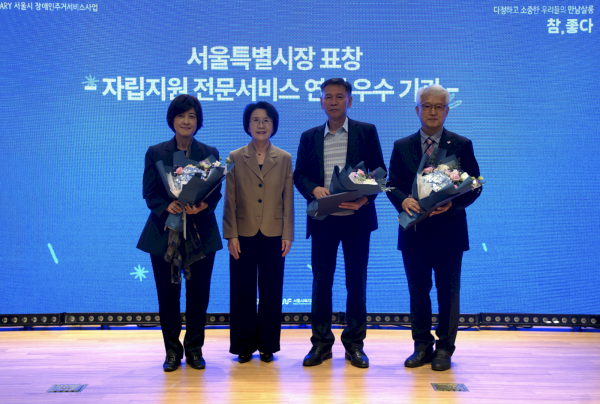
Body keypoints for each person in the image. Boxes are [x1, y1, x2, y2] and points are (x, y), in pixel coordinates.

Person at [387, 84, 482, 371]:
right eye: (426, 106)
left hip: (449, 232)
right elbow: (391, 184)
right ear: (417, 109)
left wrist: (452, 204)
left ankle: (445, 349)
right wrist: (403, 200)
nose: (432, 111)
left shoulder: (461, 144)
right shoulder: (402, 146)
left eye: (438, 107)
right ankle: (421, 346)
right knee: (418, 291)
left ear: (447, 111)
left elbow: (475, 185)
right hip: (414, 232)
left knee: (448, 294)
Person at [294, 78, 386, 369]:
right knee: (321, 283)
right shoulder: (309, 136)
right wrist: (313, 189)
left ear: (350, 100)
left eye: (339, 96)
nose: (333, 101)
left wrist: (364, 200)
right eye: (328, 97)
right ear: (321, 101)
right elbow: (300, 175)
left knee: (356, 283)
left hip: (356, 219)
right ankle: (321, 344)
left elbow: (380, 174)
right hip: (323, 220)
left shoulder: (366, 131)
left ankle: (354, 345)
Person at [137, 94, 223, 372]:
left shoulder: (209, 152)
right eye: (181, 115)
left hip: (201, 235)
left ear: (198, 121)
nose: (186, 121)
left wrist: (204, 205)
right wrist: (166, 206)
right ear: (172, 120)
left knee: (199, 296)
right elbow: (149, 193)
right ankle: (172, 352)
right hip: (165, 235)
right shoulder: (156, 152)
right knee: (168, 297)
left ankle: (195, 350)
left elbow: (215, 192)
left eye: (192, 116)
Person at [223, 101, 294, 364]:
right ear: (247, 125)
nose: (261, 125)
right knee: (241, 290)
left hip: (274, 233)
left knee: (271, 290)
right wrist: (231, 234)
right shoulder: (234, 156)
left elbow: (288, 199)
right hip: (242, 233)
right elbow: (230, 199)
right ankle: (243, 346)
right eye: (255, 120)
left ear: (273, 125)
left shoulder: (284, 158)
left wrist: (288, 233)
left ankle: (267, 345)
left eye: (266, 120)